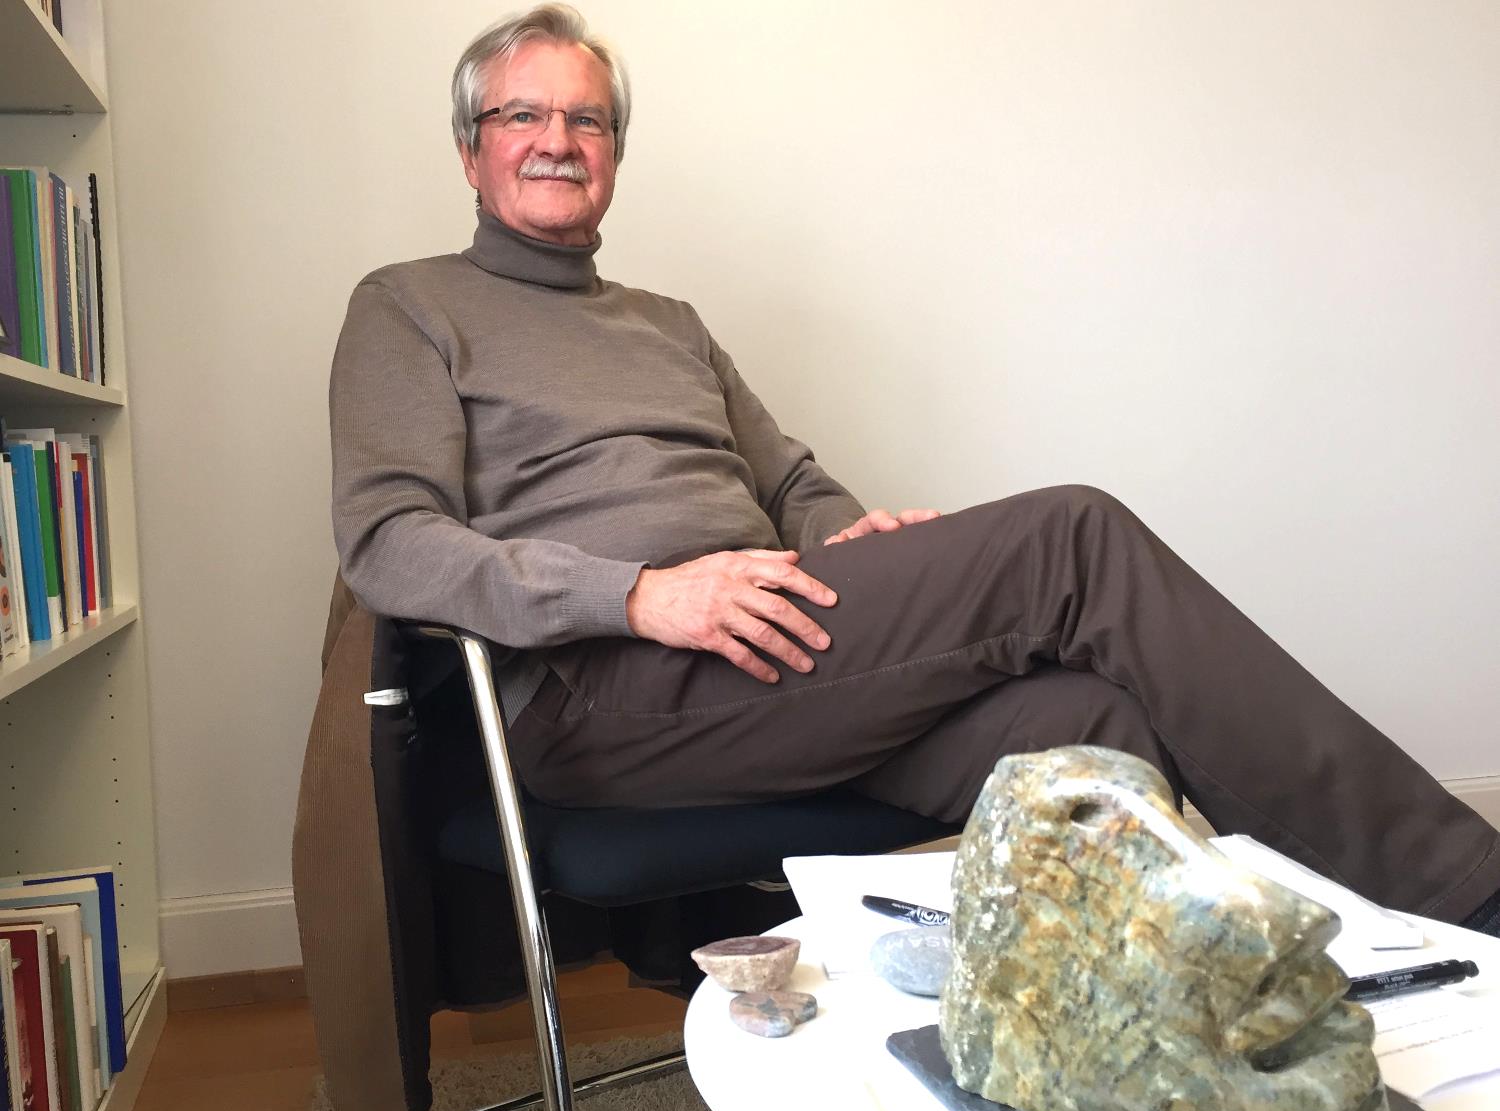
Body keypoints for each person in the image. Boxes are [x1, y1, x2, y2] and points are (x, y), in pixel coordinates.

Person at [329, 4, 1500, 935]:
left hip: (770, 648)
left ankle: (1100, 1049)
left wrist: (844, 536)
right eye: (523, 115)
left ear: (616, 155)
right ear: (472, 148)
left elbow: (792, 484)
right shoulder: (410, 306)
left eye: (587, 120)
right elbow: (388, 542)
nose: (558, 140)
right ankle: (1469, 894)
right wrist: (640, 595)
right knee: (1072, 537)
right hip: (601, 687)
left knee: (1087, 724)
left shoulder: (667, 322)